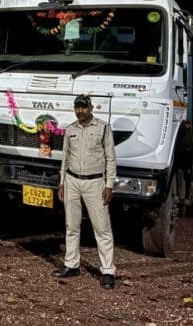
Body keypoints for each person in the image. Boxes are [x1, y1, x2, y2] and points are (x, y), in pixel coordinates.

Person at [52, 94, 117, 289]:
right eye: (77, 107)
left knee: (102, 228)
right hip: (72, 180)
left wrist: (109, 185)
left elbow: (110, 158)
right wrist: (62, 183)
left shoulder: (103, 128)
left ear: (91, 108)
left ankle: (107, 271)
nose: (80, 111)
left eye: (84, 107)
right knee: (71, 226)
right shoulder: (70, 129)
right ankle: (72, 265)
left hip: (95, 182)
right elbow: (65, 157)